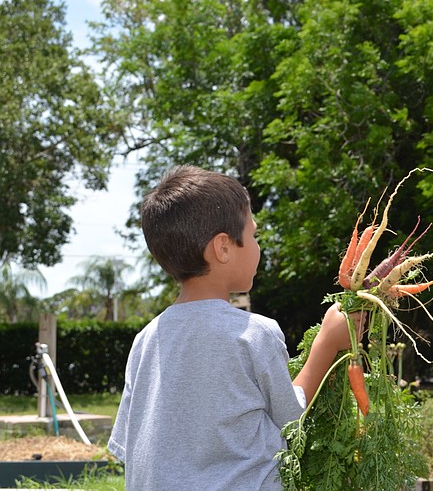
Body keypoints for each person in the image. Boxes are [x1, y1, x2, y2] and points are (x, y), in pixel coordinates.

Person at [108, 165, 357, 490]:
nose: (258, 247)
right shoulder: (254, 334)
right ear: (223, 247)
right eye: (253, 235)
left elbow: (130, 446)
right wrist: (326, 342)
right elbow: (291, 420)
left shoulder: (144, 340)